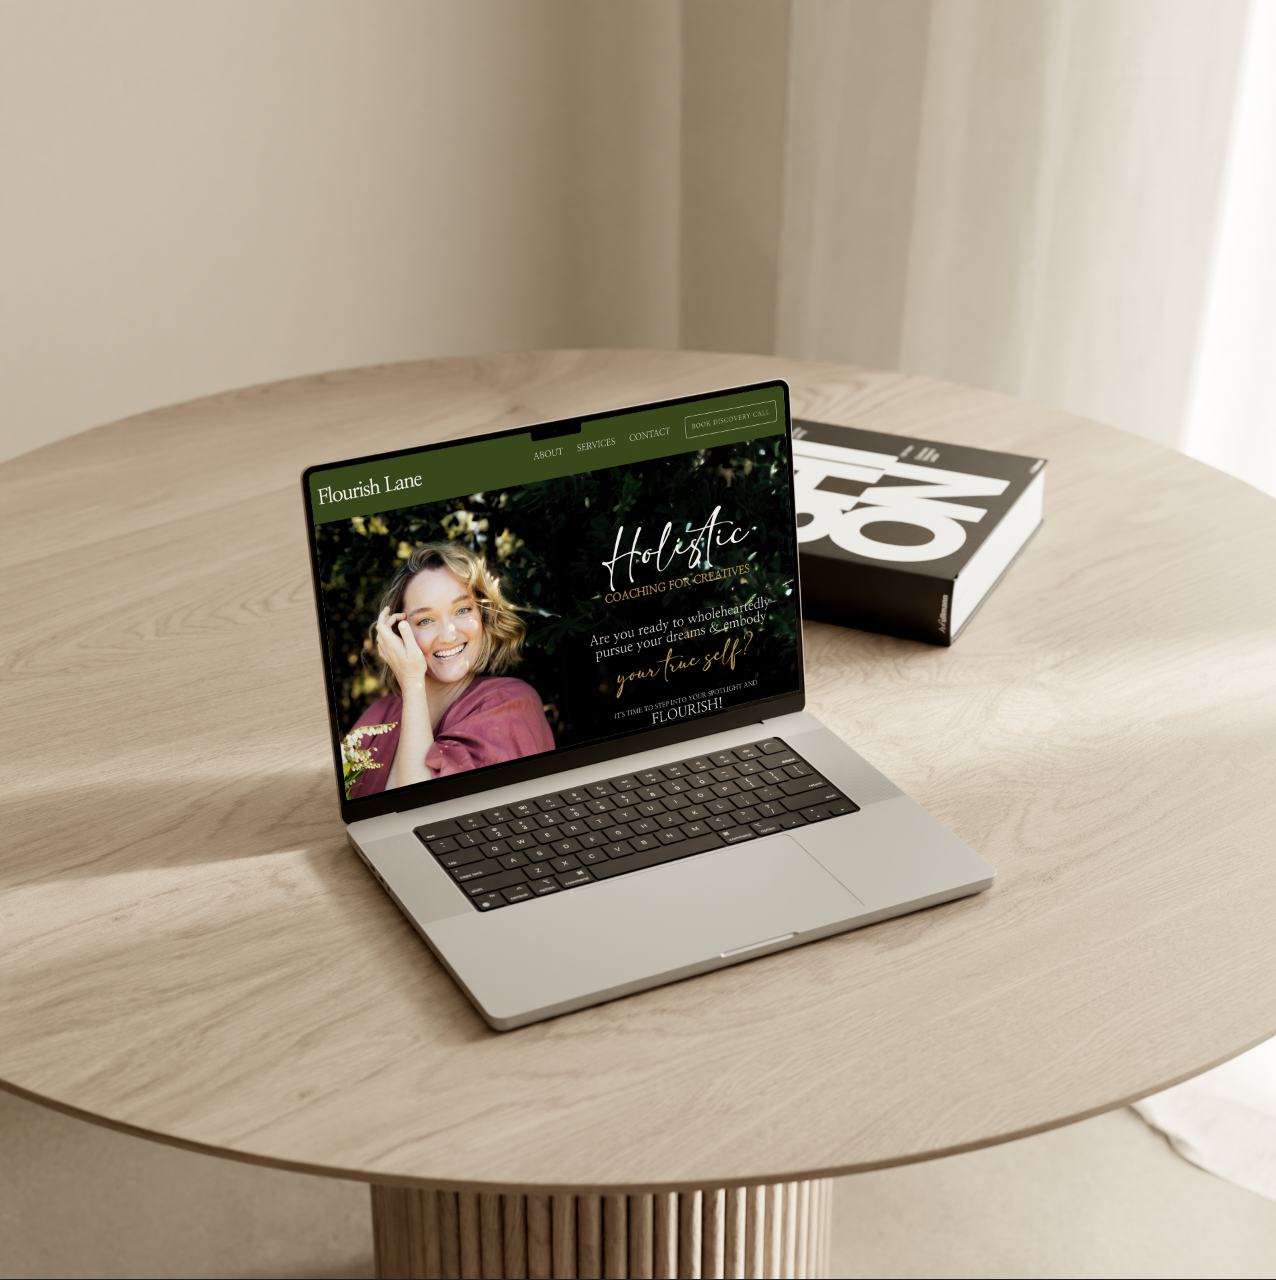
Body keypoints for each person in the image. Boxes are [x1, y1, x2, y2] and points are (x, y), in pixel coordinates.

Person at [342, 542, 553, 797]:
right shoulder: (378, 718)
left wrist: (411, 680)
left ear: (483, 617)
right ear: (398, 634)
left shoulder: (511, 705)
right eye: (426, 620)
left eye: (462, 610)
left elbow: (425, 811)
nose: (448, 634)